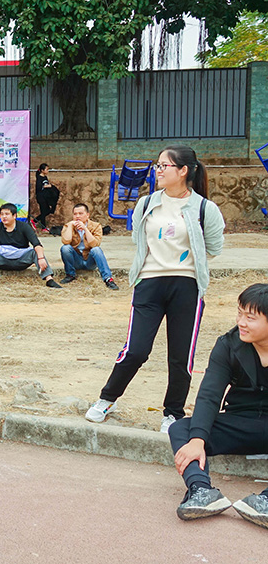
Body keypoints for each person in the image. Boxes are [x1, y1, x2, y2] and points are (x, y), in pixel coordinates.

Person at [86, 145, 225, 433]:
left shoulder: (203, 208)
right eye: (158, 165)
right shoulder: (147, 203)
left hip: (186, 286)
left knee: (180, 356)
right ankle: (106, 399)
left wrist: (186, 260)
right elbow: (138, 238)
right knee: (135, 350)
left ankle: (172, 413)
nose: (158, 170)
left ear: (183, 171)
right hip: (149, 283)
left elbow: (214, 247)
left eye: (165, 165)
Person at [167, 283, 268, 528]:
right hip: (238, 423)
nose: (241, 322)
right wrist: (197, 440)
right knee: (181, 429)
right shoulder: (228, 345)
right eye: (240, 313)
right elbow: (210, 395)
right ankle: (202, 492)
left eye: (250, 317)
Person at [0, 203, 61, 289]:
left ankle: (49, 280)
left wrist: (41, 258)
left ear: (14, 215)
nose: (4, 217)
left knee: (35, 252)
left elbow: (37, 245)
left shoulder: (24, 227)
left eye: (7, 214)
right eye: (2, 214)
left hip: (21, 260)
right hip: (3, 260)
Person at [59, 203, 119, 290]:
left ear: (87, 215)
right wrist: (70, 226)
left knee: (96, 250)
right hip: (76, 260)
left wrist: (85, 229)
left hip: (90, 260)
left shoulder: (96, 226)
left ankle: (108, 279)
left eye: (80, 213)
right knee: (65, 248)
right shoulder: (68, 226)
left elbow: (95, 244)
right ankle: (70, 274)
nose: (77, 216)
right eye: (75, 214)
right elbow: (66, 241)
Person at [34, 163, 60, 229]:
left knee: (49, 210)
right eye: (47, 169)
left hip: (45, 197)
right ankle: (43, 227)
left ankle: (35, 220)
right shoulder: (39, 178)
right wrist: (46, 186)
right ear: (42, 170)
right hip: (41, 197)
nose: (48, 171)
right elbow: (39, 187)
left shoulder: (45, 177)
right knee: (43, 211)